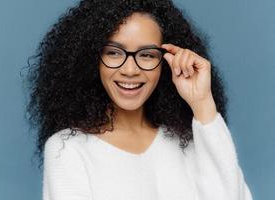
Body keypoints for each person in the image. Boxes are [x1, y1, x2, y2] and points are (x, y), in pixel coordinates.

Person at [26, 0, 253, 199]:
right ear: (91, 59)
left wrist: (202, 103)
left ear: (165, 62)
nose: (130, 69)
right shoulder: (67, 149)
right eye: (114, 52)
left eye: (147, 55)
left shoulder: (189, 141)